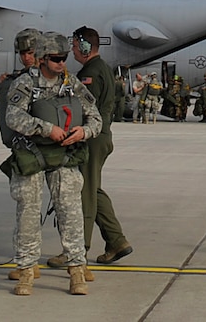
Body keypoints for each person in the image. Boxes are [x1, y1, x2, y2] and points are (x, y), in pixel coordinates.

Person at [1, 32, 102, 296]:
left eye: (64, 58)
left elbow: (96, 118)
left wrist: (84, 132)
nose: (61, 64)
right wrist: (46, 129)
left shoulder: (72, 84)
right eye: (56, 59)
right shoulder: (25, 84)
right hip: (32, 153)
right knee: (28, 213)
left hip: (65, 155)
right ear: (43, 59)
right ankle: (26, 270)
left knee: (70, 212)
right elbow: (13, 117)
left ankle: (77, 268)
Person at [64, 26, 132, 266]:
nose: (72, 51)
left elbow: (84, 109)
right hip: (101, 137)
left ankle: (77, 249)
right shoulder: (102, 68)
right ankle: (116, 241)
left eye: (74, 46)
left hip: (91, 138)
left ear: (84, 46)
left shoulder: (90, 73)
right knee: (94, 189)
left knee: (84, 192)